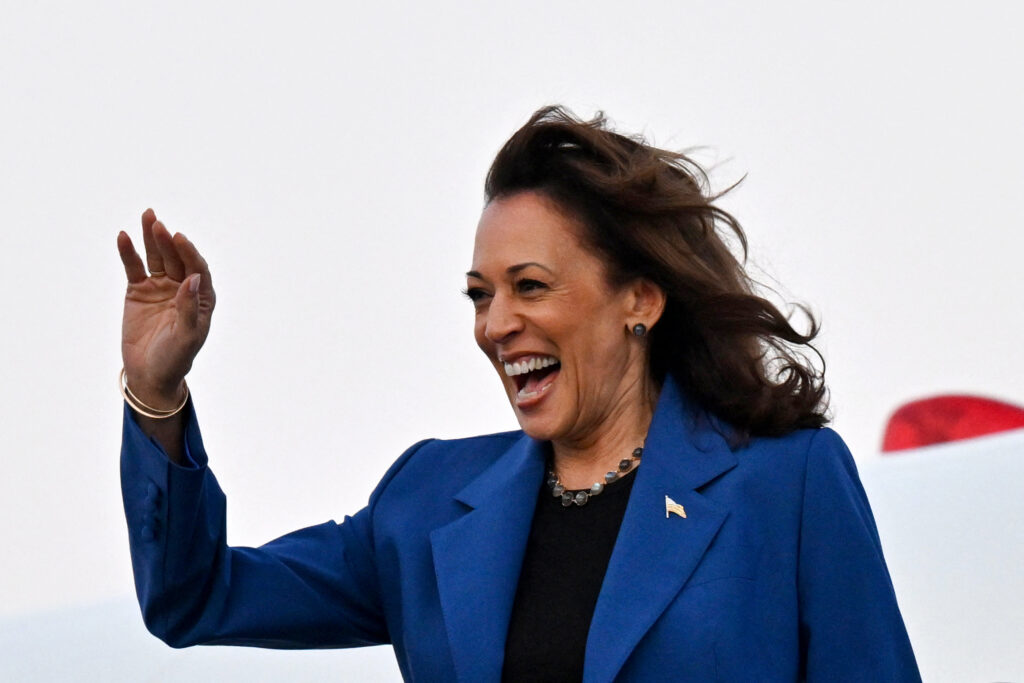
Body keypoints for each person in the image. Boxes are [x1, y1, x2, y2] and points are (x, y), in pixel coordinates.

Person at [117, 106, 921, 681]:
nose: (496, 324)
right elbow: (195, 597)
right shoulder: (427, 503)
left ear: (639, 298)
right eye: (479, 295)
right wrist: (158, 392)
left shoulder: (790, 483)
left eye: (529, 286)